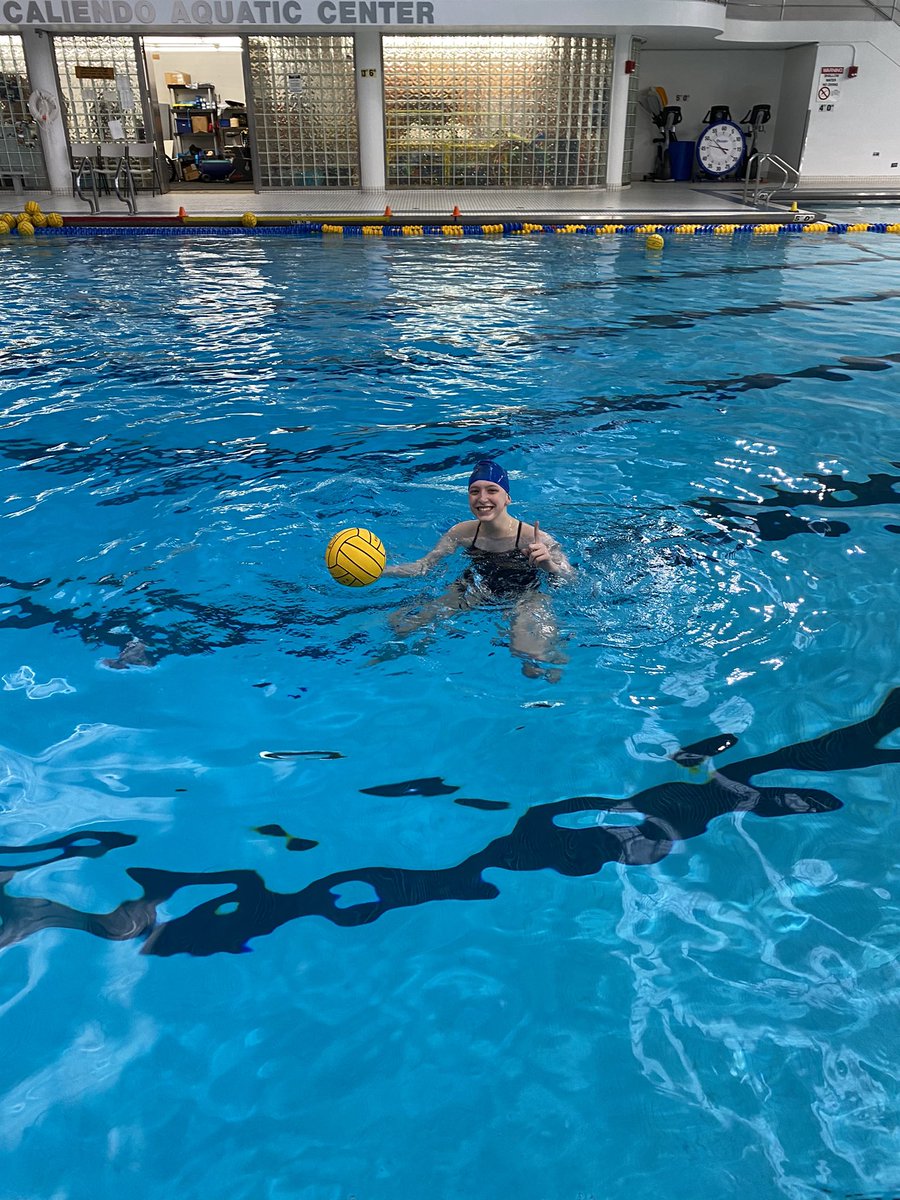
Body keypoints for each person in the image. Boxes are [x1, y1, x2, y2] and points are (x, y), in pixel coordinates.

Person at [382, 460, 573, 677]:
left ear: (508, 497)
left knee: (530, 658)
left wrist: (548, 564)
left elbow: (571, 579)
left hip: (527, 594)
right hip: (477, 589)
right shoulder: (461, 533)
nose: (482, 498)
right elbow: (423, 566)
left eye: (492, 490)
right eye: (475, 491)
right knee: (403, 625)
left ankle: (556, 653)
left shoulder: (534, 537)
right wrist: (380, 570)